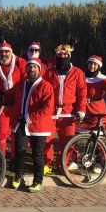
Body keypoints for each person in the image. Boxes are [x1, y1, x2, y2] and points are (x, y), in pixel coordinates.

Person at [7, 58, 55, 192]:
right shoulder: (21, 83)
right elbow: (10, 94)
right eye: (29, 67)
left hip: (38, 126)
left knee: (37, 154)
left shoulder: (46, 86)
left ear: (39, 70)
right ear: (26, 69)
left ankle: (38, 181)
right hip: (22, 124)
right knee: (19, 151)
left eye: (34, 67)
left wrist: (29, 117)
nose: (31, 69)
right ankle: (18, 175)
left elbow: (48, 107)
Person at [42, 43, 87, 173]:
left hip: (69, 112)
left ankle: (63, 164)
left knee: (67, 142)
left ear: (69, 56)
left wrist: (81, 110)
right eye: (60, 55)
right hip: (51, 112)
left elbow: (82, 93)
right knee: (47, 139)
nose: (63, 56)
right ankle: (47, 163)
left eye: (66, 54)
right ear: (56, 56)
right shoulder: (49, 72)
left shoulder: (77, 73)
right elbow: (43, 90)